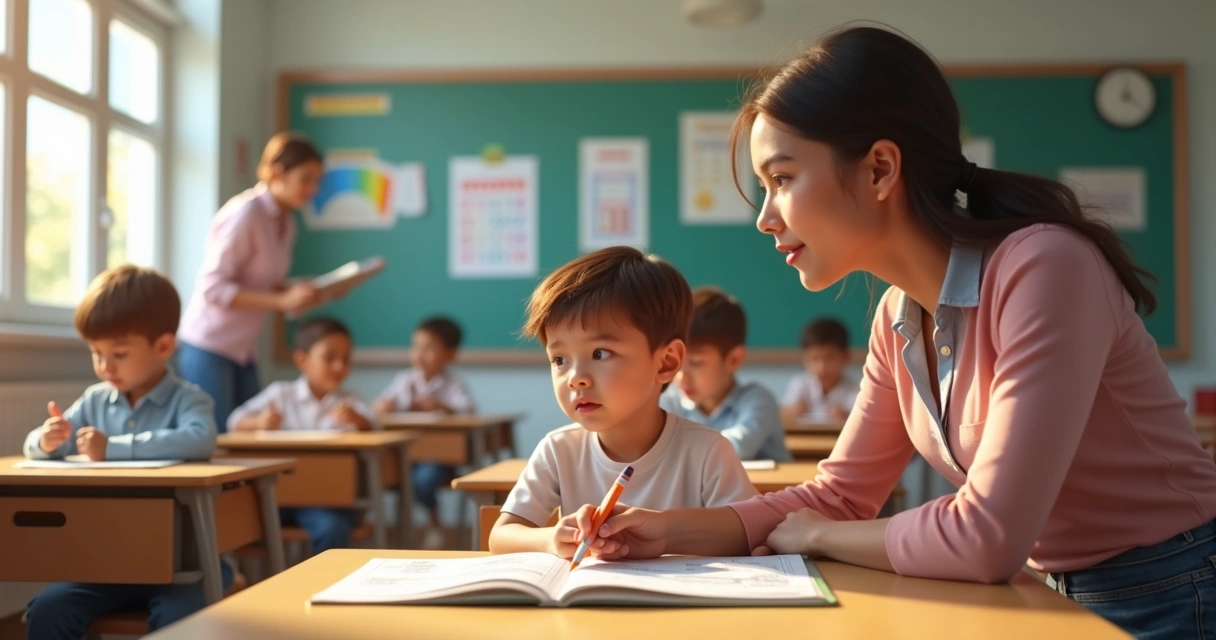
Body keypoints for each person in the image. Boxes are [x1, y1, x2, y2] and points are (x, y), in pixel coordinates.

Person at [578, 26, 1216, 640]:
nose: (765, 218)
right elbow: (840, 494)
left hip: (1173, 591)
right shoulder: (897, 314)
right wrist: (666, 531)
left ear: (880, 169)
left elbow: (986, 538)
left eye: (783, 179)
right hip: (1041, 594)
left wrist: (817, 535)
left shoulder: (1045, 267)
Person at [489, 247, 757, 557]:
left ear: (667, 362)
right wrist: (550, 539)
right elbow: (500, 536)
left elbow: (748, 532)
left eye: (600, 353)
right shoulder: (558, 450)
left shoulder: (707, 451)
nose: (576, 378)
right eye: (559, 359)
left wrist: (671, 535)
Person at [23, 265, 225, 638]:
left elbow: (201, 439)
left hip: (186, 566)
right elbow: (51, 446)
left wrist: (113, 448)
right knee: (49, 611)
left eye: (118, 353)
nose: (105, 366)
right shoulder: (94, 400)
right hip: (110, 563)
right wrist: (45, 440)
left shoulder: (189, 399)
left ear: (163, 347)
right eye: (96, 353)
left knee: (178, 622)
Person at [177, 132, 325, 431]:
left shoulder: (287, 222)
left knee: (254, 438)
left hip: (243, 350)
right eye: (306, 179)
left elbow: (266, 283)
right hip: (210, 344)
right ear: (277, 174)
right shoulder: (246, 213)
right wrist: (281, 300)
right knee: (217, 439)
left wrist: (307, 291)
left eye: (317, 181)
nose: (313, 189)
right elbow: (212, 287)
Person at [229, 317, 376, 556]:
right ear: (302, 360)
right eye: (329, 358)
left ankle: (323, 579)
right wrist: (259, 422)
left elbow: (375, 429)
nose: (339, 366)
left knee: (332, 528)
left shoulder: (350, 401)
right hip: (276, 496)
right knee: (231, 521)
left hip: (327, 499)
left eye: (346, 359)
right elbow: (234, 421)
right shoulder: (280, 394)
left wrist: (359, 421)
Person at [372, 316, 476, 548]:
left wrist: (442, 407)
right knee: (387, 474)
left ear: (450, 354)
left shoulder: (453, 384)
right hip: (404, 454)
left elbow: (468, 412)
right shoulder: (404, 380)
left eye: (428, 348)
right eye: (416, 347)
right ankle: (401, 538)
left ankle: (434, 522)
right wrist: (383, 406)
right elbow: (379, 407)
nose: (419, 355)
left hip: (438, 456)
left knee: (423, 480)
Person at [660, 286, 791, 461]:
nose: (681, 376)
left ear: (733, 360)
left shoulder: (758, 400)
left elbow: (736, 448)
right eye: (676, 361)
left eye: (696, 363)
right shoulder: (671, 400)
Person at [782, 318, 859, 422]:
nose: (822, 367)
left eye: (829, 358)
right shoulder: (800, 384)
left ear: (846, 356)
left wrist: (847, 416)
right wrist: (792, 411)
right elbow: (781, 414)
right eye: (814, 358)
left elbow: (863, 419)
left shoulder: (855, 389)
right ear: (804, 359)